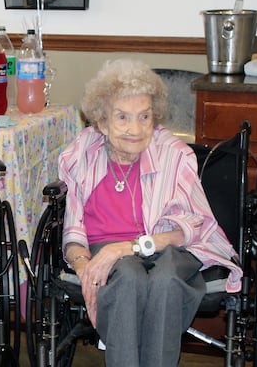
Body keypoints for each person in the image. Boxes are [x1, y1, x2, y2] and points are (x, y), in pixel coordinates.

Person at [58, 59, 243, 367]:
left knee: (166, 280)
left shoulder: (174, 155)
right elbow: (73, 230)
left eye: (144, 117)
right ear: (101, 122)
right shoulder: (82, 154)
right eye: (123, 117)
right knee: (128, 276)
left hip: (168, 247)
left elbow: (191, 227)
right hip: (108, 254)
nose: (135, 129)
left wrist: (127, 247)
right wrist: (84, 266)